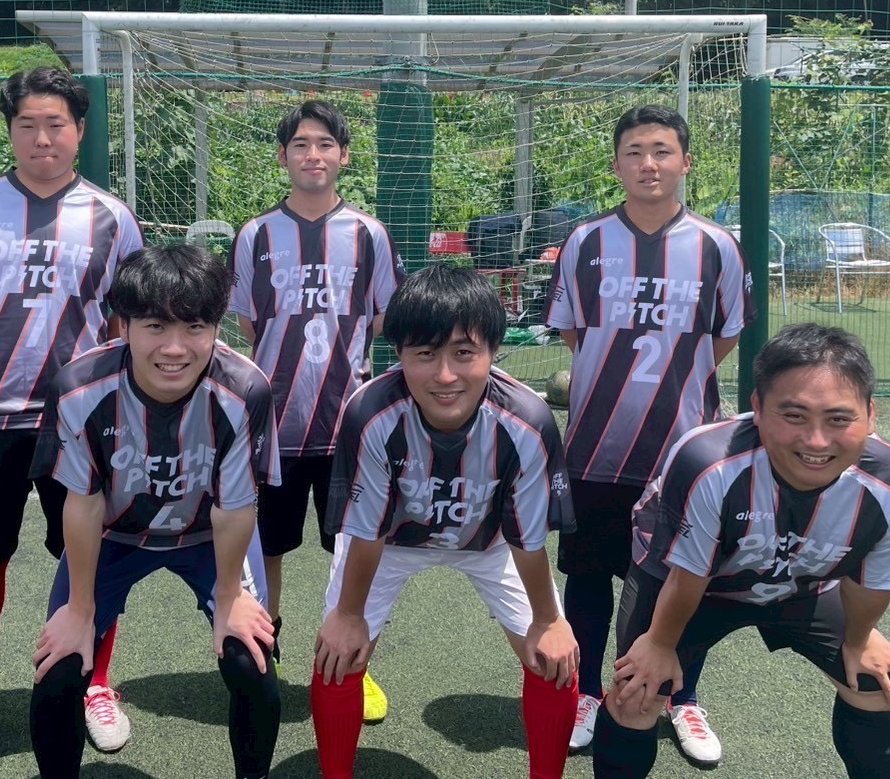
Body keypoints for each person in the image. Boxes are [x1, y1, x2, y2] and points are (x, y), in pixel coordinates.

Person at [592, 323, 890, 779]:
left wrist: (859, 639)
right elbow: (687, 576)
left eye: (839, 419)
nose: (816, 441)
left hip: (803, 587)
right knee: (636, 692)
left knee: (874, 682)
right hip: (689, 585)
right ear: (757, 407)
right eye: (794, 416)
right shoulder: (707, 462)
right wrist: (658, 643)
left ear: (871, 415)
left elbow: (867, 581)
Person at [0, 66, 145, 757]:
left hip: (77, 421)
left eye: (56, 124)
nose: (42, 138)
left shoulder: (112, 218)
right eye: (27, 125)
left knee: (89, 558)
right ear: (10, 130)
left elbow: (126, 318)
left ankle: (93, 683)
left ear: (79, 130)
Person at [543, 103, 753, 765]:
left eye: (661, 151)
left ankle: (680, 696)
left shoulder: (717, 246)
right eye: (634, 152)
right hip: (595, 445)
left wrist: (677, 384)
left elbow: (723, 336)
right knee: (588, 576)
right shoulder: (585, 242)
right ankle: (584, 692)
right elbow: (574, 333)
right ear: (616, 165)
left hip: (684, 454)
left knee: (683, 580)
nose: (648, 164)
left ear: (685, 162)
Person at [311, 264, 579, 779]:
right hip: (390, 543)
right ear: (398, 353)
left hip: (490, 542)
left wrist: (548, 621)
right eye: (425, 354)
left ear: (493, 351)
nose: (445, 375)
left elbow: (527, 540)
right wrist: (348, 615)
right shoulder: (369, 413)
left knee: (554, 660)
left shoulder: (528, 422)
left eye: (463, 353)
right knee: (338, 654)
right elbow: (366, 532)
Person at [28, 244, 281, 779]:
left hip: (208, 537)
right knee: (60, 669)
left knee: (251, 660)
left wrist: (230, 597)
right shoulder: (78, 389)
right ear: (123, 326)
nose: (174, 347)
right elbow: (84, 503)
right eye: (155, 326)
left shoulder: (245, 390)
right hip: (114, 535)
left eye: (195, 327)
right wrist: (79, 609)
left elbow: (236, 507)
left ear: (216, 327)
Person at [229, 99, 404, 721]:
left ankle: (352, 661)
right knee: (267, 548)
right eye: (301, 144)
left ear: (344, 156)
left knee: (351, 549)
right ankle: (265, 650)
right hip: (274, 425)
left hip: (346, 425)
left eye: (325, 144)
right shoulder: (255, 235)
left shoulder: (369, 234)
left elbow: (382, 318)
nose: (313, 154)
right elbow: (251, 324)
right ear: (283, 156)